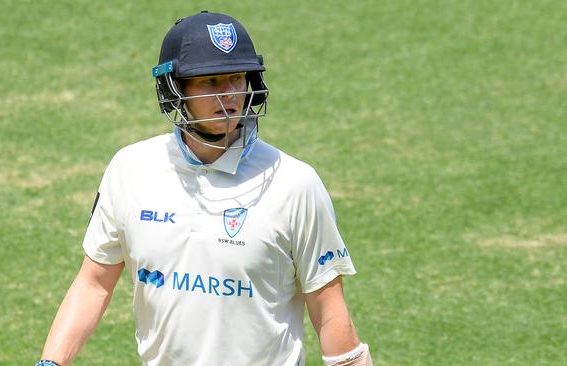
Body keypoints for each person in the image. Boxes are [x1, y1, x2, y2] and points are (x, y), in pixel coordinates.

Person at [36, 11, 372, 366]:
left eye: (236, 78)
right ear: (173, 89)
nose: (228, 95)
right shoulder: (130, 169)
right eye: (209, 83)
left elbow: (329, 309)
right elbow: (94, 283)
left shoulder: (295, 184)